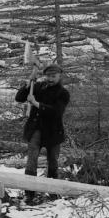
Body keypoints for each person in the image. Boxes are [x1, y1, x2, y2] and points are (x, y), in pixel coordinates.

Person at [15, 64, 70, 202]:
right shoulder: (38, 87)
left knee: (53, 162)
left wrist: (36, 103)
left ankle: (53, 191)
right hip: (36, 129)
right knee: (31, 160)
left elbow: (56, 112)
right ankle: (29, 193)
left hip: (53, 132)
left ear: (59, 76)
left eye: (53, 76)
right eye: (48, 76)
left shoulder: (63, 93)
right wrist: (28, 85)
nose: (50, 79)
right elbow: (19, 98)